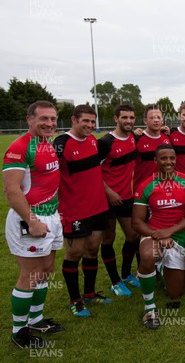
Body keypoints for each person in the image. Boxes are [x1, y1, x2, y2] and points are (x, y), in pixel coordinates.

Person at [3, 101, 65, 348]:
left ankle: (36, 319)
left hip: (52, 216)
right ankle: (19, 332)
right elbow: (11, 191)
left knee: (46, 269)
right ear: (29, 120)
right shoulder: (19, 148)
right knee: (30, 275)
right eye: (43, 119)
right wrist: (32, 221)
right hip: (31, 219)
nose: (49, 123)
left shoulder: (47, 143)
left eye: (53, 119)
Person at [131, 144, 185, 329]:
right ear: (155, 160)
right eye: (163, 158)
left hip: (177, 237)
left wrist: (171, 232)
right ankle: (149, 308)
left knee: (174, 294)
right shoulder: (145, 185)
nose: (168, 162)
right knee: (148, 255)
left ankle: (159, 269)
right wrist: (159, 236)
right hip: (154, 235)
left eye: (172, 158)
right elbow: (136, 222)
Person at [53, 105, 110, 317]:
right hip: (74, 209)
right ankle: (75, 299)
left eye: (93, 122)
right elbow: (51, 177)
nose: (90, 126)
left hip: (98, 206)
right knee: (75, 252)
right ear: (74, 120)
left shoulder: (93, 141)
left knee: (93, 249)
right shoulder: (61, 144)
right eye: (85, 121)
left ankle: (89, 293)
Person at [98, 104, 140, 297]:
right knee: (108, 239)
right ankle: (115, 282)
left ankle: (126, 274)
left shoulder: (133, 137)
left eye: (131, 118)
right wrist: (108, 192)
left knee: (133, 236)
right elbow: (93, 171)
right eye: (124, 117)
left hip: (126, 197)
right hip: (106, 199)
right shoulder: (105, 142)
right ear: (116, 119)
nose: (129, 121)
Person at [133, 104, 171, 192]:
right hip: (142, 190)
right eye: (152, 118)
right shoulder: (137, 138)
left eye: (158, 117)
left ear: (162, 120)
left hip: (163, 189)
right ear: (145, 121)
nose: (156, 120)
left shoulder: (167, 138)